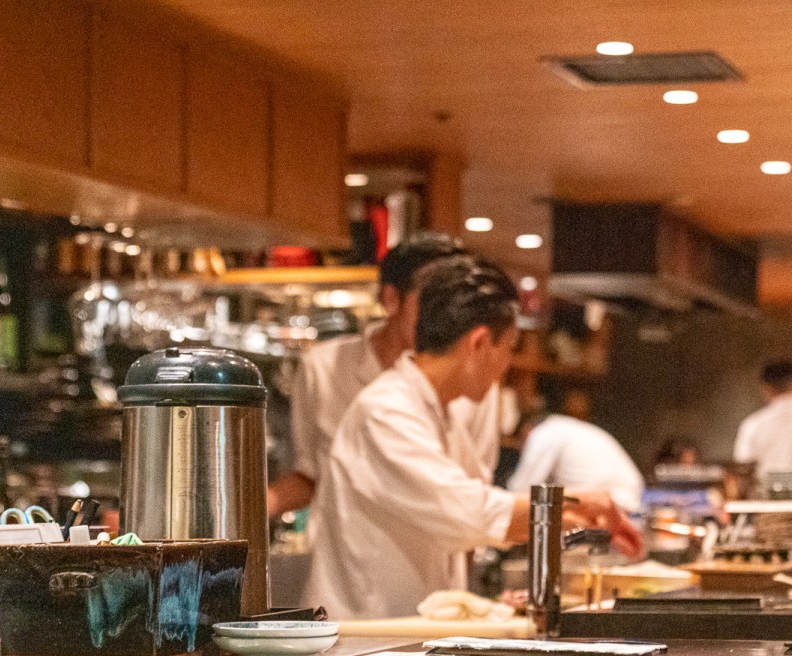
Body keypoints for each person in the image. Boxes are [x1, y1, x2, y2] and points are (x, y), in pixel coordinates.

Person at [307, 256, 643, 619]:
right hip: (363, 636)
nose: (507, 364)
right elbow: (466, 510)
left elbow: (471, 516)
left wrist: (580, 516)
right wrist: (574, 504)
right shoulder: (385, 411)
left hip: (404, 631)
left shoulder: (442, 412)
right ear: (480, 343)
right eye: (510, 347)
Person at [266, 233, 500, 521]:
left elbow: (477, 500)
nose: (447, 318)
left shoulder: (474, 381)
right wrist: (249, 509)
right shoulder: (323, 367)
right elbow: (311, 476)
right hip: (342, 557)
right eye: (432, 302)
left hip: (427, 561)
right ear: (391, 299)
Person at [507, 407, 645, 512]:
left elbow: (522, 490)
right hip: (631, 503)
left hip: (605, 509)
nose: (521, 449)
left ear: (527, 430)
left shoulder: (544, 433)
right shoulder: (566, 426)